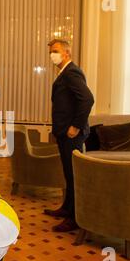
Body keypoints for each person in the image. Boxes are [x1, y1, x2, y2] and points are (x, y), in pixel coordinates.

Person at [44, 39, 94, 232]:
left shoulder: (72, 72)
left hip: (72, 134)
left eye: (55, 51)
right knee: (68, 173)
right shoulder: (64, 72)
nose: (52, 55)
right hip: (64, 133)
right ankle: (67, 208)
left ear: (66, 53)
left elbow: (87, 99)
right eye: (50, 51)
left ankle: (74, 219)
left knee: (73, 176)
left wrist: (75, 126)